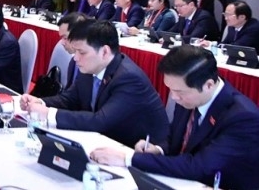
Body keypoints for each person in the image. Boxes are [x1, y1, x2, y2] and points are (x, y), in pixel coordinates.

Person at [91, 45, 259, 189]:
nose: (173, 97)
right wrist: (159, 149)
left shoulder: (243, 118)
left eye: (179, 92)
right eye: (170, 89)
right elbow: (175, 138)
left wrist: (128, 158)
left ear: (208, 85)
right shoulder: (189, 97)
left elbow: (199, 167)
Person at [20, 20, 168, 146]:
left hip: (135, 152)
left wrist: (48, 114)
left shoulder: (129, 78)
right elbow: (69, 99)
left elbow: (100, 121)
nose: (75, 58)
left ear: (104, 52)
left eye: (82, 52)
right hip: (102, 142)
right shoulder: (90, 68)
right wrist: (40, 102)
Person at [55, 12, 88, 89]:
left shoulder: (92, 66)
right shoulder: (73, 62)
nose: (62, 43)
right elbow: (69, 95)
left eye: (65, 38)